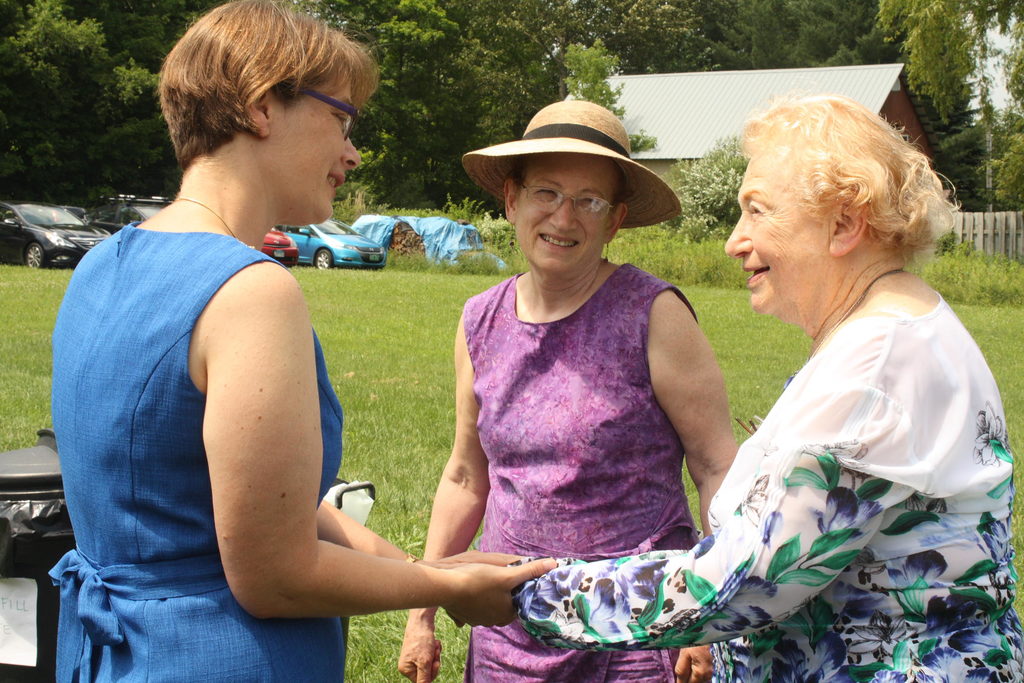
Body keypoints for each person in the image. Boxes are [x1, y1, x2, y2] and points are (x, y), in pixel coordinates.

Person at [47, 2, 553, 681]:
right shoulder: (250, 290)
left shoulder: (101, 265)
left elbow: (251, 502)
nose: (353, 151)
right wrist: (447, 589)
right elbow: (274, 573)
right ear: (261, 107)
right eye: (340, 118)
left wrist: (422, 568)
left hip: (111, 656)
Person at [511, 93, 1023, 682]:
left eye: (757, 211)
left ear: (844, 223)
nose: (734, 240)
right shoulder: (894, 333)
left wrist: (528, 595)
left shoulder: (877, 363)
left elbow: (743, 582)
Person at [398, 100, 738, 683]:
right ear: (512, 200)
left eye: (589, 201)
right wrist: (420, 612)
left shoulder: (652, 313)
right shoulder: (480, 320)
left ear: (615, 219)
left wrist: (709, 613)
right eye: (547, 193)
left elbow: (715, 466)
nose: (564, 217)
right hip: (509, 626)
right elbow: (464, 475)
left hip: (636, 627)